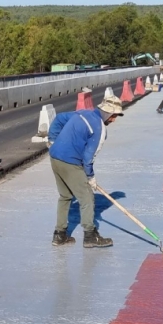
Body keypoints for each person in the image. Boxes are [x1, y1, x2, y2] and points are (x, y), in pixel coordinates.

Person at [47, 94, 124, 248]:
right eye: (114, 116)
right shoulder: (100, 129)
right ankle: (90, 235)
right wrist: (90, 177)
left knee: (65, 196)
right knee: (87, 198)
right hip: (70, 162)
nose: (114, 120)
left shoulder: (83, 113)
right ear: (108, 113)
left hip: (54, 156)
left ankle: (59, 235)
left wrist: (52, 140)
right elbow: (89, 157)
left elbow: (59, 118)